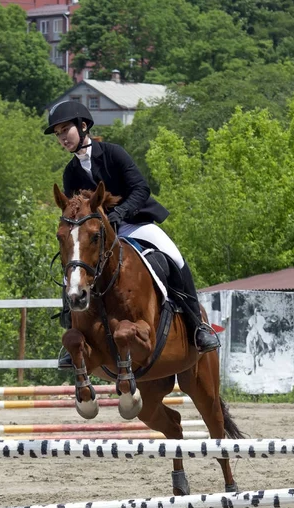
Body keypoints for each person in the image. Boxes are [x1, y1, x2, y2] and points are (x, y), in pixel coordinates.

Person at [45, 100, 219, 368]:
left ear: (82, 126)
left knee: (175, 258)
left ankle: (198, 327)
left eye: (65, 130)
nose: (61, 138)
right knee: (73, 265)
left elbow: (141, 189)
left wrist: (121, 213)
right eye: (57, 134)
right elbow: (74, 209)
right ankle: (71, 330)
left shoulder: (113, 153)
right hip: (97, 234)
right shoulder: (71, 172)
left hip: (134, 223)